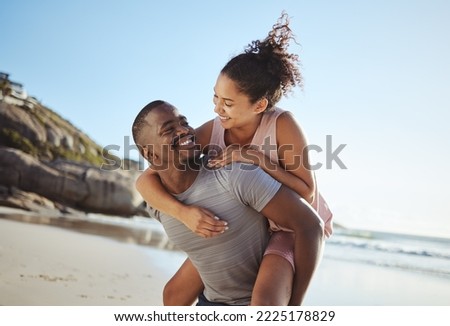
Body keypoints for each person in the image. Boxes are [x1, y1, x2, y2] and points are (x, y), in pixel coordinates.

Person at [136, 12, 332, 305]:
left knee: (265, 299)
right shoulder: (213, 130)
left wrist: (256, 157)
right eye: (215, 98)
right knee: (174, 294)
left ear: (260, 105)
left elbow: (306, 192)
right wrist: (182, 213)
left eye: (227, 103)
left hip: (287, 225)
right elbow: (146, 178)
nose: (217, 109)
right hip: (246, 220)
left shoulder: (281, 125)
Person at [132, 100, 324, 306]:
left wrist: (295, 305)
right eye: (169, 129)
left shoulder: (236, 175)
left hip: (255, 301)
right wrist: (182, 212)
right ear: (150, 154)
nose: (185, 130)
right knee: (172, 296)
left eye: (185, 122)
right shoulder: (158, 202)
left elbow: (311, 224)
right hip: (211, 302)